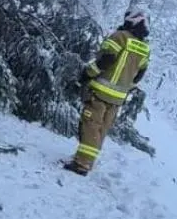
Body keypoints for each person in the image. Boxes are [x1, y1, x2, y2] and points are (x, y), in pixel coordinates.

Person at [64, 10, 151, 175]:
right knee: (101, 129)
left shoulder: (120, 36)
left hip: (100, 92)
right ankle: (87, 160)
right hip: (118, 99)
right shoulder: (145, 48)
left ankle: (81, 164)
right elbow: (139, 75)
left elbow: (106, 59)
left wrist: (87, 74)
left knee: (90, 126)